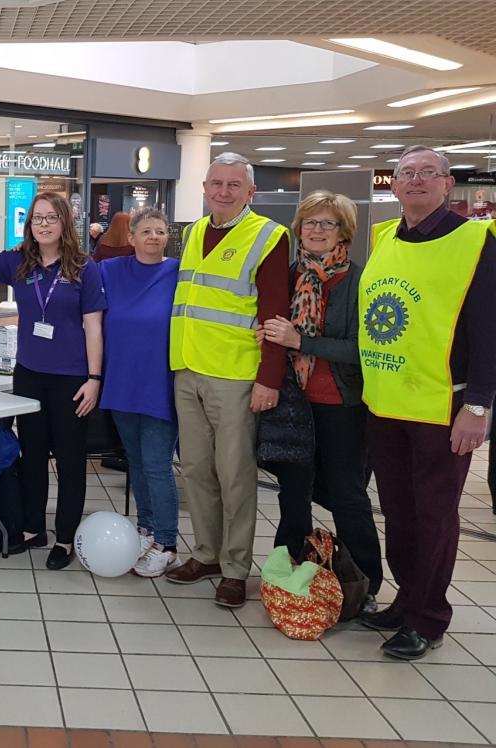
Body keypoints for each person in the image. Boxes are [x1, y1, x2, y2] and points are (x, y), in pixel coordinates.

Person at [357, 145, 496, 659]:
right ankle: (406, 600)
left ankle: (430, 617)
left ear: (446, 184)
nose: (415, 181)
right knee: (398, 510)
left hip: (445, 406)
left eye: (426, 173)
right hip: (387, 403)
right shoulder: (385, 236)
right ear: (393, 185)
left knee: (435, 515)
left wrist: (479, 406)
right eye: (405, 173)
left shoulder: (476, 241)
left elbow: (489, 331)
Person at [165, 152, 289, 608]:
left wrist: (268, 379)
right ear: (203, 187)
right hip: (188, 368)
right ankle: (206, 553)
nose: (222, 191)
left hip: (236, 375)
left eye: (233, 185)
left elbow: (275, 313)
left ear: (250, 192)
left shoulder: (269, 237)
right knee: (196, 469)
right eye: (215, 183)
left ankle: (236, 568)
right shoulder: (194, 231)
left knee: (235, 476)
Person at [0, 192, 106, 570]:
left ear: (65, 223)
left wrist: (94, 378)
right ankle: (32, 528)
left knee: (69, 460)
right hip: (28, 373)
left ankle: (64, 538)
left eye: (50, 218)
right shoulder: (19, 263)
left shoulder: (83, 267)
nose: (43, 225)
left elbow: (94, 328)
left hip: (71, 378)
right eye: (36, 219)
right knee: (32, 455)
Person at [258, 191, 382, 608]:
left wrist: (301, 340)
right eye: (309, 223)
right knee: (293, 493)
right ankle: (288, 575)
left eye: (327, 223)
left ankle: (365, 583)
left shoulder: (359, 280)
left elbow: (361, 349)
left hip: (340, 404)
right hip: (292, 402)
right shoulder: (291, 275)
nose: (316, 231)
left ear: (343, 231)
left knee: (347, 495)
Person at [98, 208, 181, 577]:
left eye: (160, 232)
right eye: (145, 231)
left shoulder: (179, 273)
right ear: (130, 237)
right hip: (122, 381)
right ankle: (147, 529)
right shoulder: (111, 271)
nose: (153, 237)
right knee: (136, 461)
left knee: (157, 464)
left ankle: (167, 542)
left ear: (167, 237)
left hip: (159, 383)